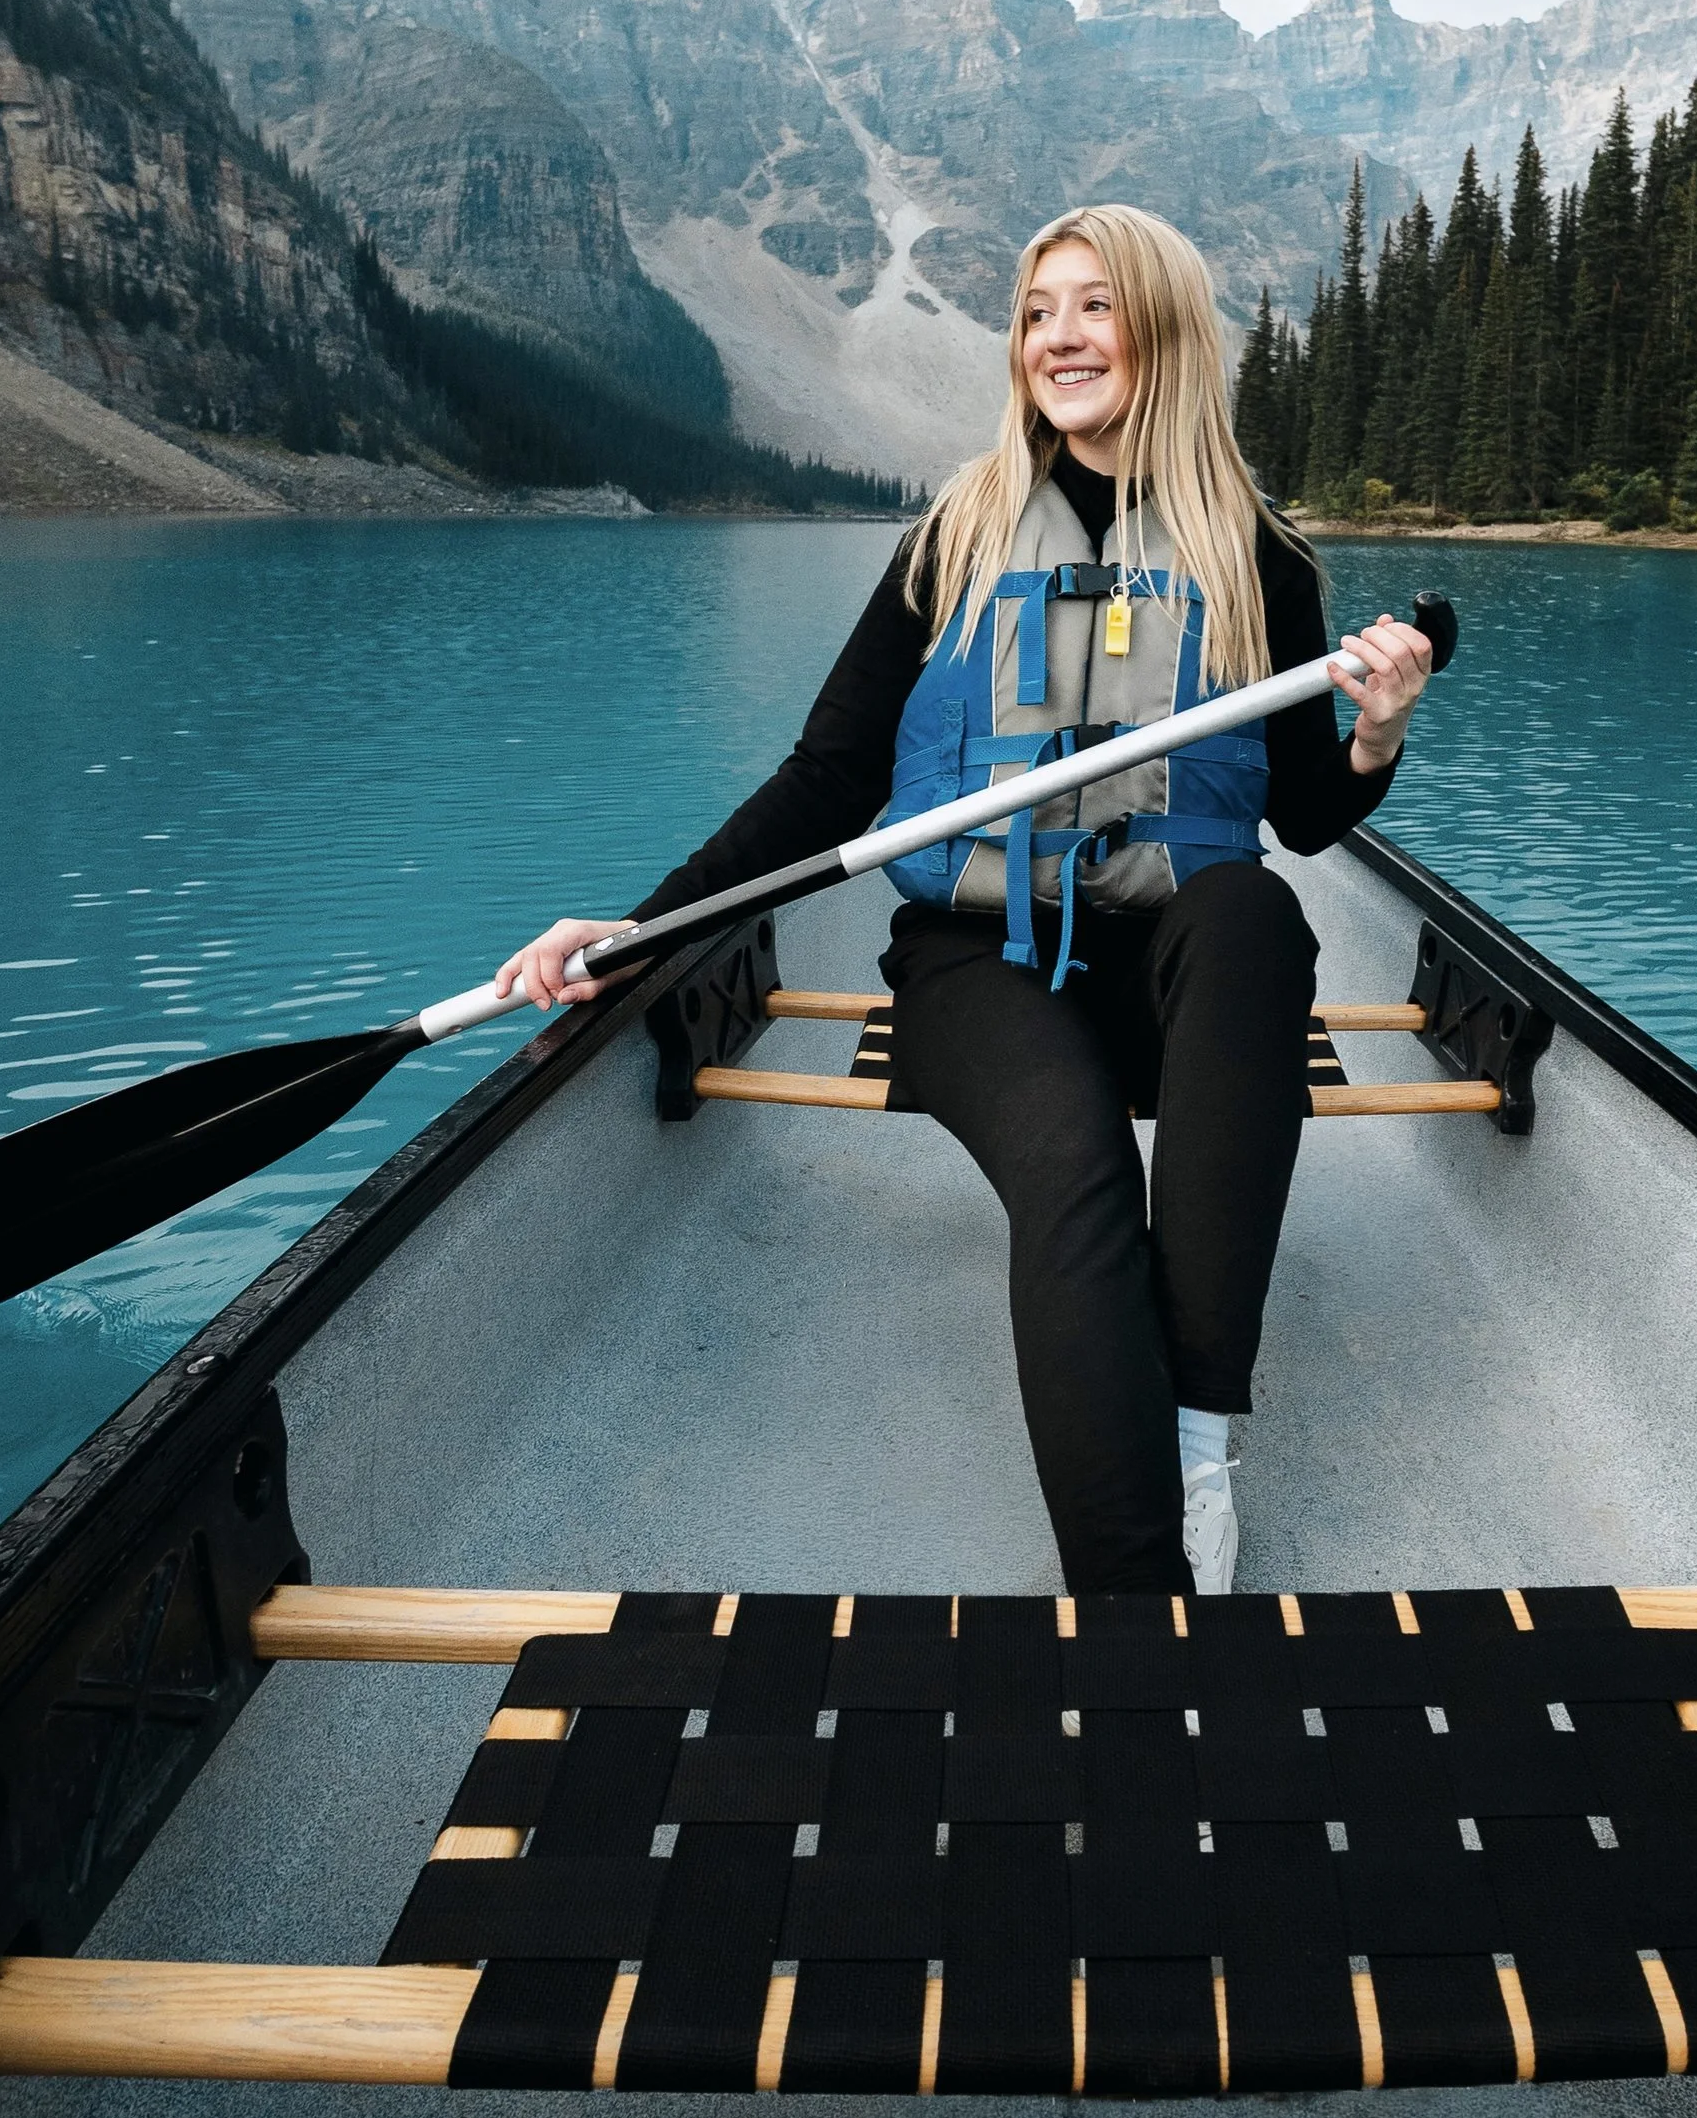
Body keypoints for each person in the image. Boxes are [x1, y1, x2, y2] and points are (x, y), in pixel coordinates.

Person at [496, 204, 1433, 1596]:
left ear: (1165, 330)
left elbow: (1300, 814)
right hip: (976, 960)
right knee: (1076, 1165)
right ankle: (1136, 1612)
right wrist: (644, 933)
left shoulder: (1259, 556)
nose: (1059, 337)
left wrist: (1376, 735)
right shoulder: (959, 536)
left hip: (1173, 962)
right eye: (1038, 311)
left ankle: (1194, 1432)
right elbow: (829, 780)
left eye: (1095, 305)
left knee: (1255, 918)